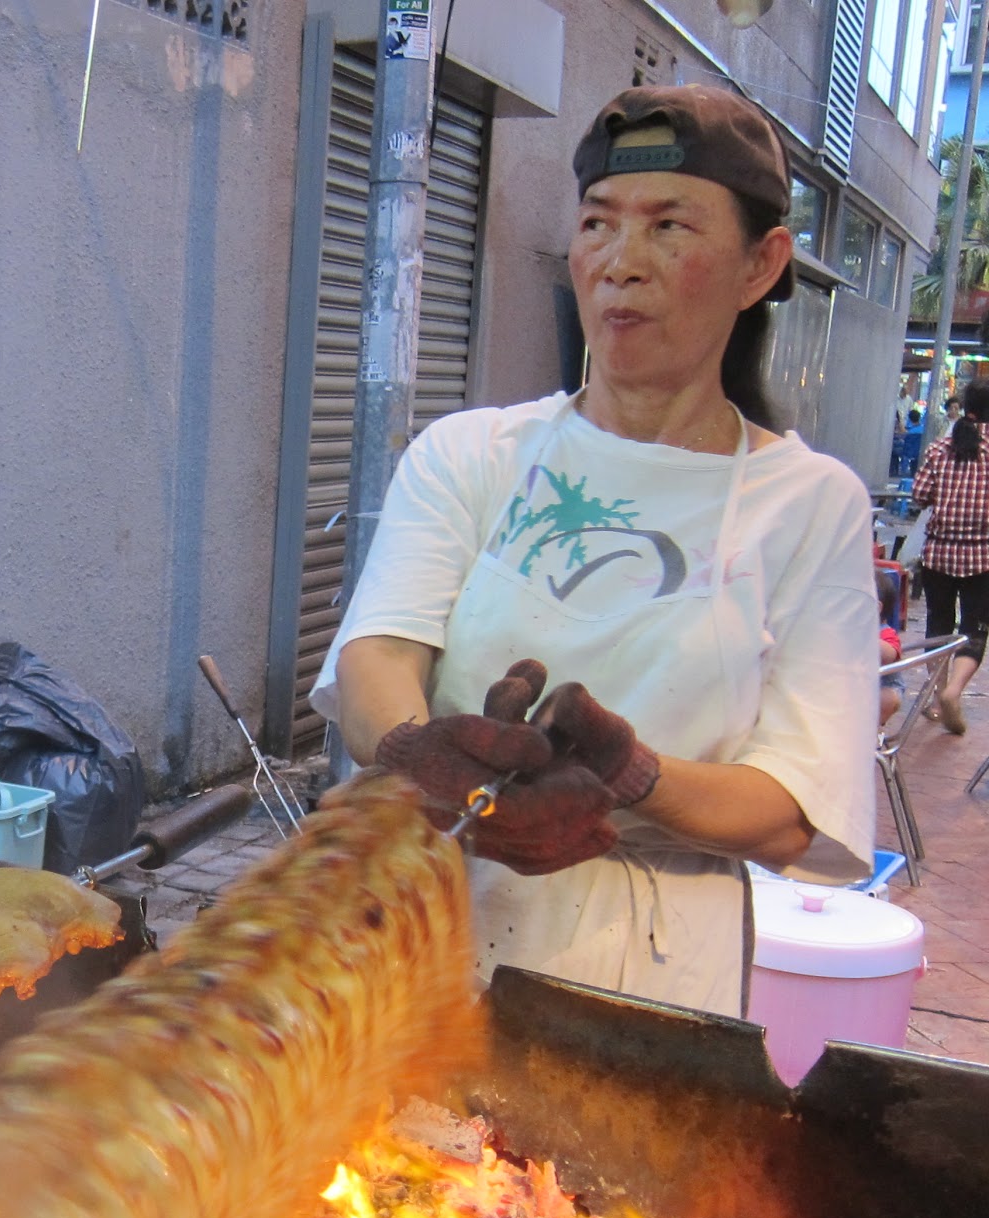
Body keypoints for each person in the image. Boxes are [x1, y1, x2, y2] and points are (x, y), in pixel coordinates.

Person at [312, 83, 876, 1018]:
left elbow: (792, 809)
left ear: (761, 264)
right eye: (598, 224)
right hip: (433, 921)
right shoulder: (472, 455)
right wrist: (420, 754)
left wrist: (630, 775)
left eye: (670, 227)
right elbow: (379, 652)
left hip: (651, 972)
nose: (622, 263)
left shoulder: (810, 504)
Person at [905, 378, 989, 734]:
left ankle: (938, 695)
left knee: (938, 625)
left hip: (939, 554)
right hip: (984, 558)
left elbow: (920, 496)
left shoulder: (940, 447)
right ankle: (955, 691)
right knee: (975, 629)